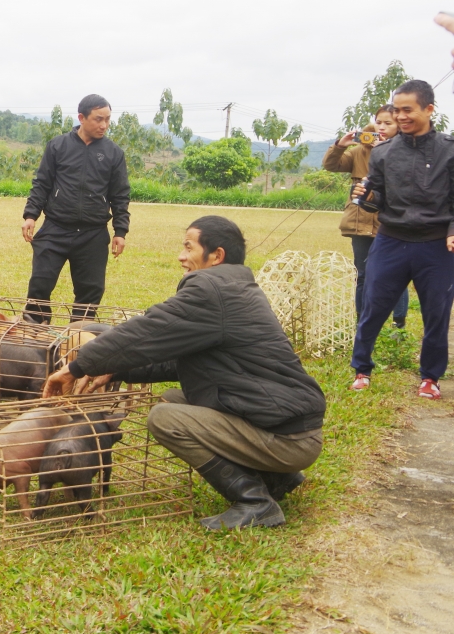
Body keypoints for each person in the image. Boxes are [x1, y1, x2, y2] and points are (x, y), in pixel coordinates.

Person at [42, 215, 326, 531]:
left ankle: (255, 502)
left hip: (288, 438)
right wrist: (116, 368)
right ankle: (278, 478)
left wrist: (77, 366)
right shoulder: (233, 288)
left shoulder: (210, 290)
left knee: (165, 418)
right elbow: (181, 361)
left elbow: (146, 332)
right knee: (178, 398)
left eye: (188, 247)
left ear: (216, 256)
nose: (181, 256)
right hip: (291, 429)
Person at [350, 80, 454, 399]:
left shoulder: (449, 151)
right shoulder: (382, 152)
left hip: (437, 245)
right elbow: (378, 195)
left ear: (429, 109)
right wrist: (367, 197)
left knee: (437, 312)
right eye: (397, 110)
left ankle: (430, 378)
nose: (401, 116)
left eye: (408, 110)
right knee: (373, 304)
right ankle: (362, 369)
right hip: (391, 240)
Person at [21, 94, 129, 323]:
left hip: (93, 233)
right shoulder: (58, 146)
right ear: (81, 117)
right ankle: (34, 336)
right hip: (56, 228)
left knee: (90, 292)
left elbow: (120, 195)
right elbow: (42, 183)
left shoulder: (113, 153)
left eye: (108, 119)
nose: (104, 125)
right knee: (39, 284)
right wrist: (31, 215)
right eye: (98, 119)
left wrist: (120, 231)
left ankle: (78, 341)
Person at [322, 111, 408, 328]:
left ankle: (399, 324)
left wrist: (385, 151)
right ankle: (363, 322)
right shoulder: (359, 152)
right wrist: (341, 145)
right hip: (360, 221)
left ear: (398, 126)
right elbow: (331, 165)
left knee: (396, 273)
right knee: (362, 274)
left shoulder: (406, 151)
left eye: (388, 123)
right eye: (378, 122)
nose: (381, 127)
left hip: (390, 222)